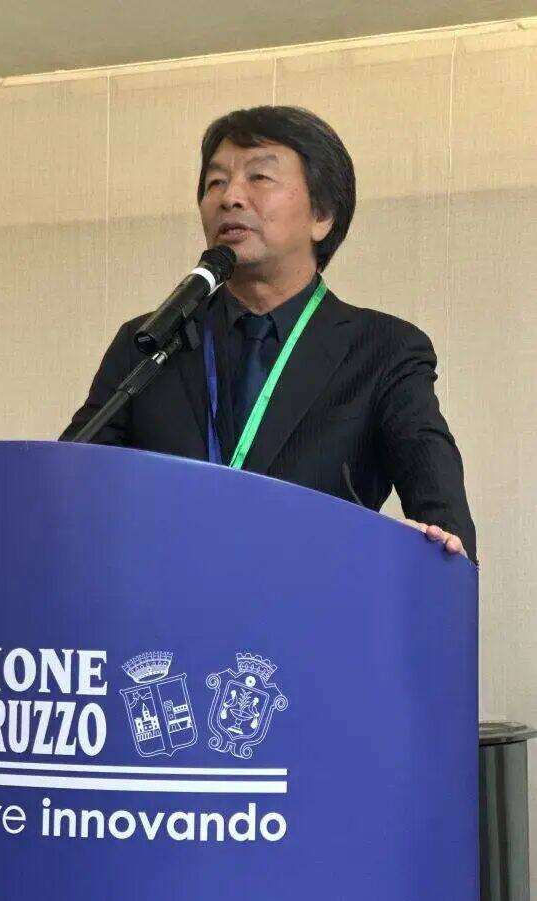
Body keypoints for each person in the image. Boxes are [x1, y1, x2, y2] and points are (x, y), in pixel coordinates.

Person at [59, 105, 477, 562]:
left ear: (322, 215)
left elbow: (444, 519)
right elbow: (68, 485)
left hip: (311, 597)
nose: (230, 197)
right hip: (161, 598)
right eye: (215, 182)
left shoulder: (384, 350)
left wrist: (434, 552)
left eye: (259, 177)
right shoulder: (150, 341)